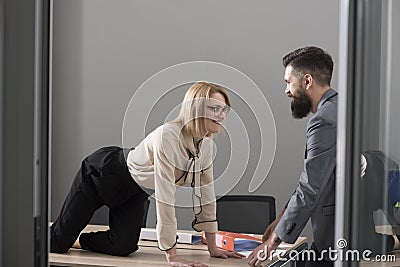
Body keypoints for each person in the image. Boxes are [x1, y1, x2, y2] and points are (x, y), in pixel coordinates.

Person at [51, 81, 243, 267]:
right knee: (57, 244)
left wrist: (213, 248)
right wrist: (172, 255)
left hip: (135, 190)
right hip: (104, 175)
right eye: (214, 108)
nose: (221, 115)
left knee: (124, 246)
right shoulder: (167, 136)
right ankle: (45, 233)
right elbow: (165, 196)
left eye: (224, 109)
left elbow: (206, 195)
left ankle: (80, 241)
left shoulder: (206, 146)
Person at [248, 46, 337, 267]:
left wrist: (272, 243)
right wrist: (281, 220)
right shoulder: (342, 109)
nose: (287, 90)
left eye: (288, 82)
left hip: (336, 244)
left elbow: (311, 186)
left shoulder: (324, 120)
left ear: (307, 81)